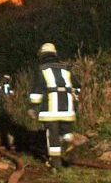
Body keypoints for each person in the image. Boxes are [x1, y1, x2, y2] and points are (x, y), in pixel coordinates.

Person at [29, 42, 80, 170]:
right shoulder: (66, 68)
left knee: (53, 135)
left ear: (41, 55)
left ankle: (55, 163)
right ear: (55, 54)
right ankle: (69, 140)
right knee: (66, 130)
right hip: (67, 107)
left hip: (50, 109)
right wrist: (75, 102)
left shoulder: (42, 69)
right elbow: (77, 87)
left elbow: (37, 91)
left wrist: (33, 107)